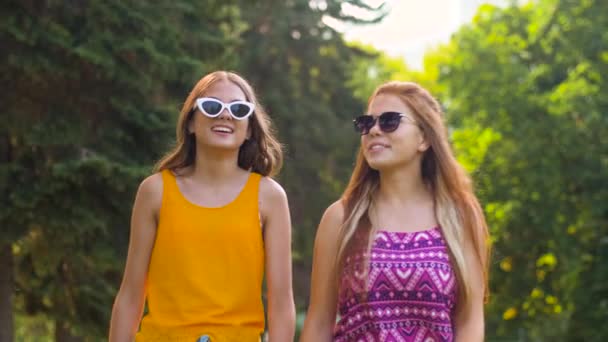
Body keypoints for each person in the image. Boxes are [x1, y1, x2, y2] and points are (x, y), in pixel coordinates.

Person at [109, 71, 296, 342]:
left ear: (250, 129)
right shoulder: (155, 191)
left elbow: (280, 303)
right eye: (212, 106)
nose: (225, 115)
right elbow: (130, 294)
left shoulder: (269, 198)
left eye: (238, 109)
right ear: (190, 123)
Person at [300, 81, 490, 341]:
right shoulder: (341, 218)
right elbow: (319, 321)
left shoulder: (460, 216)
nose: (374, 131)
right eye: (367, 123)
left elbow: (470, 321)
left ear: (423, 138)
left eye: (389, 121)